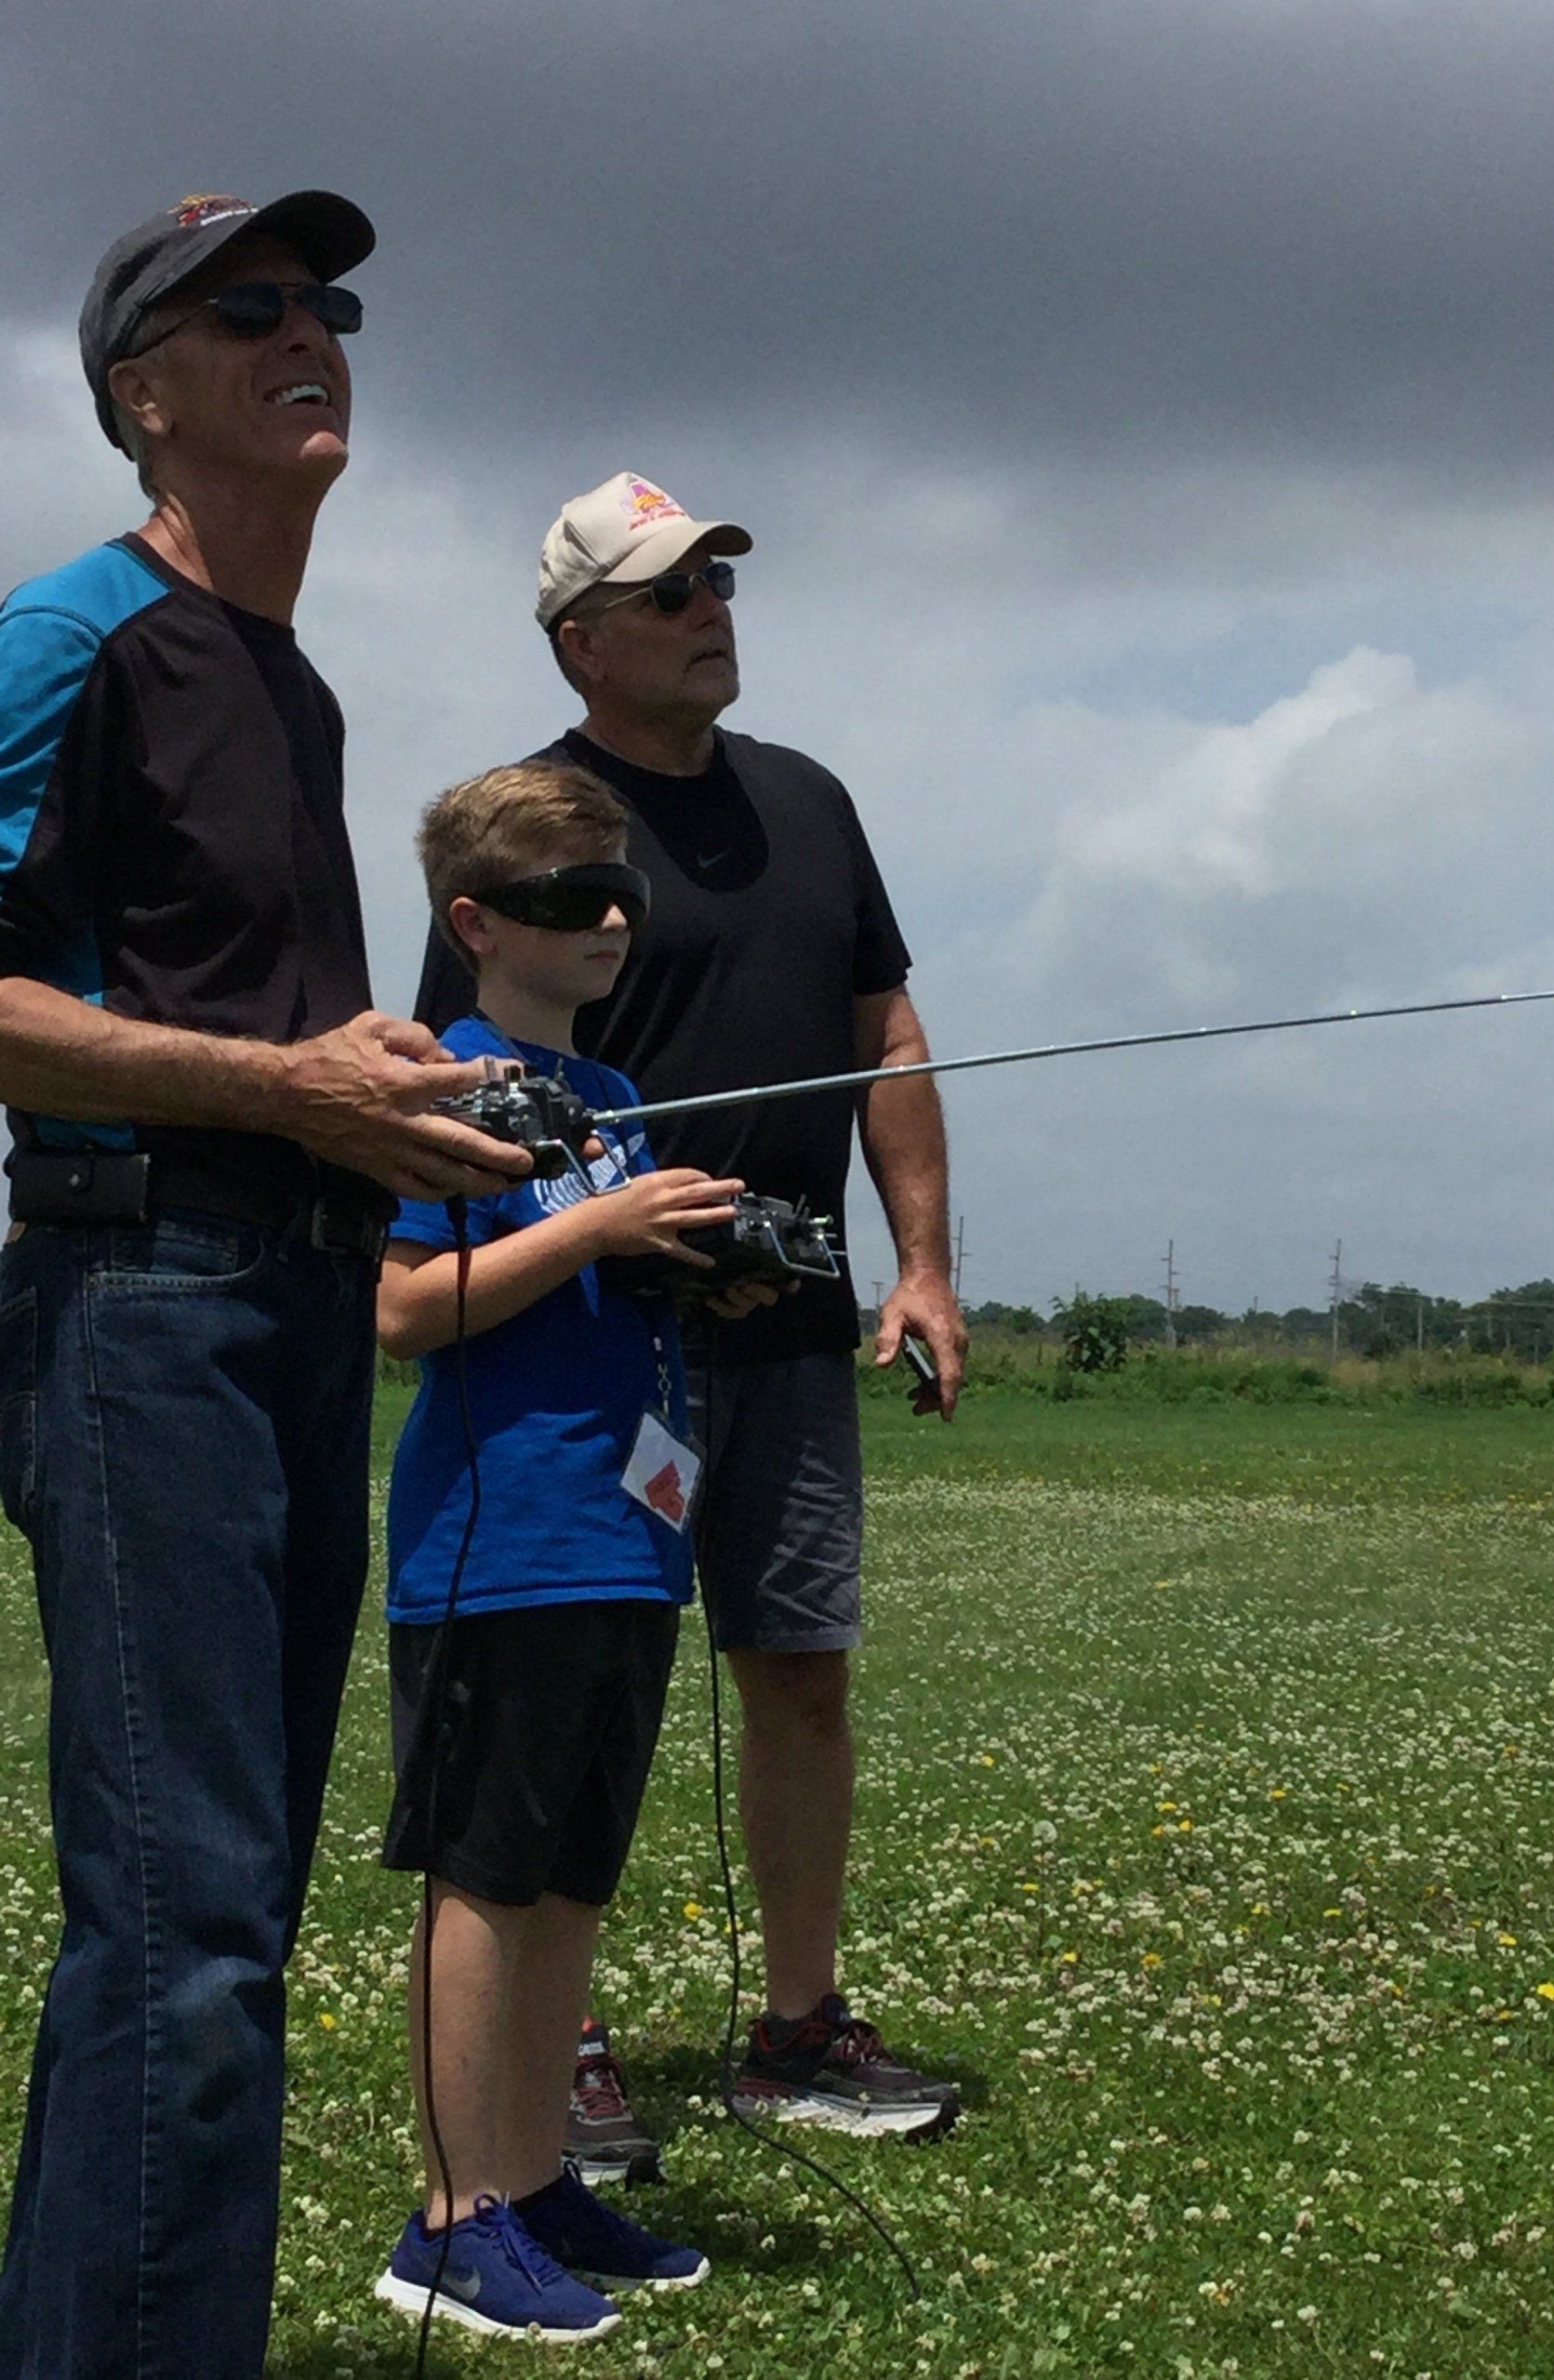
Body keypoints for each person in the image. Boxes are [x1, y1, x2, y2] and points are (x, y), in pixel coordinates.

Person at [0, 192, 527, 2380]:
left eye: (332, 302)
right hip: (145, 1305)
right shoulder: (73, 634)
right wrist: (281, 1086)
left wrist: (371, 1094)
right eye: (252, 307)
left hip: (293, 1308)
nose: (313, 330)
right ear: (144, 392)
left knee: (213, 1927)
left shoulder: (289, 685)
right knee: (188, 1932)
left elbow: (247, 1029)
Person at [416, 470, 971, 2152]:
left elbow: (887, 1035)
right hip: (599, 1348)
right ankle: (557, 2050)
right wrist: (617, 1236)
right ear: (580, 640)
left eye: (719, 582)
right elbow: (467, 1096)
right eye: (668, 593)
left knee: (800, 1667)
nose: (710, 612)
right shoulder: (531, 831)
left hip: (788, 1326)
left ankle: (798, 2028)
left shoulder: (811, 802)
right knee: (588, 1678)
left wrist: (922, 1264)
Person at [373, 760, 728, 2340]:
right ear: (474, 923)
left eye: (622, 895)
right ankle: (450, 2220)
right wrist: (596, 1227)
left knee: (574, 1878)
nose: (609, 923)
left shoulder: (611, 1093)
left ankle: (531, 2177)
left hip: (626, 1536)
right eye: (567, 899)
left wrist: (694, 1264)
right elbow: (402, 1311)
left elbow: (588, 1278)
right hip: (500, 1539)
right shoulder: (442, 1079)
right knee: (487, 1876)